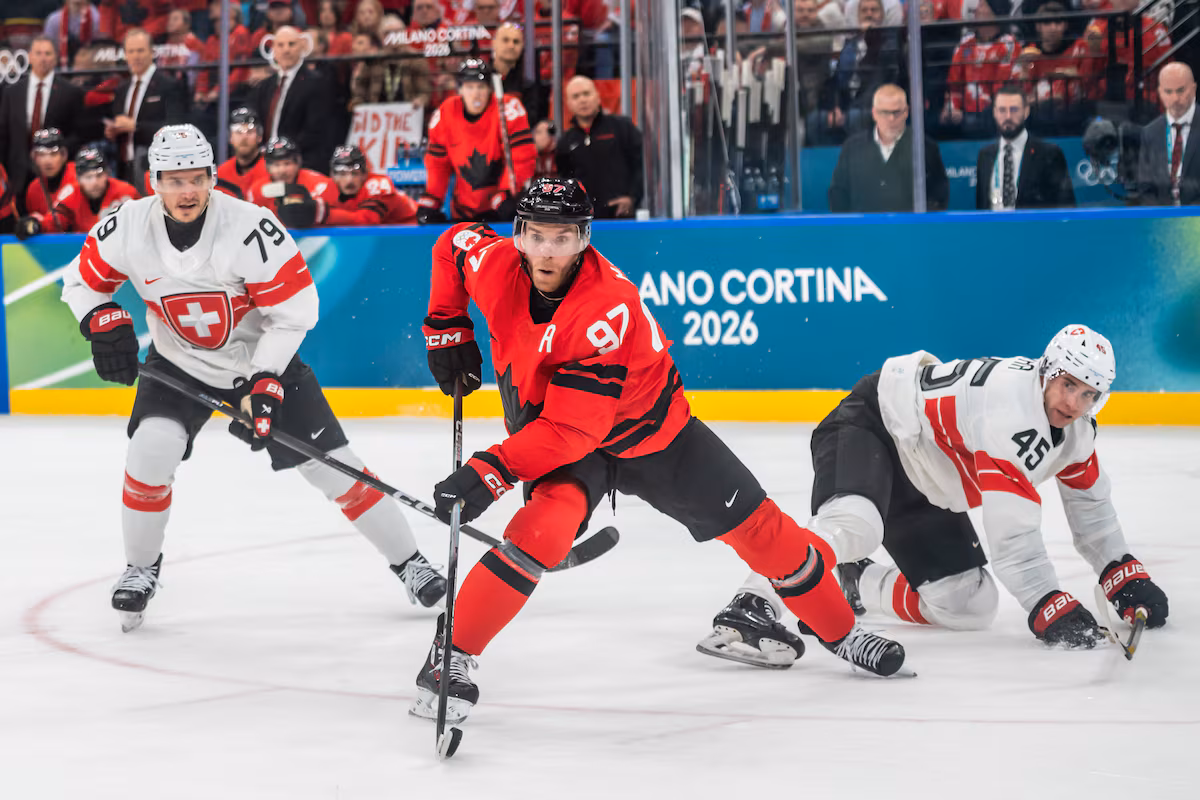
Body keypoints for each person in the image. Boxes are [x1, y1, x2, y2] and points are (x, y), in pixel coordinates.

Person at [407, 177, 909, 725]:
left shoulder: (604, 308)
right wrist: (446, 324)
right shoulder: (493, 262)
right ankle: (449, 655)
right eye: (537, 236)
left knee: (767, 533)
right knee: (541, 532)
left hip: (650, 434)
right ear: (518, 236)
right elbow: (451, 244)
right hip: (564, 433)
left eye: (564, 238)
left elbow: (574, 430)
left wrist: (491, 470)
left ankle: (840, 632)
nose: (548, 251)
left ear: (585, 239)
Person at [58, 124, 447, 633]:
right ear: (153, 181)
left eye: (196, 178)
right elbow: (80, 283)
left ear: (212, 176)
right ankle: (140, 567)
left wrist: (266, 381)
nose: (187, 191)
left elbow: (295, 312)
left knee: (333, 467)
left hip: (261, 363)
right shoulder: (127, 225)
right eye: (174, 180)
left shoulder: (249, 227)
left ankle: (410, 561)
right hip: (178, 362)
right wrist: (101, 321)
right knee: (150, 450)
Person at [701, 325, 1168, 667]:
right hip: (876, 424)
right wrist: (1048, 600)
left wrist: (1118, 570)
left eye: (1089, 395)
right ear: (1047, 372)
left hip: (925, 476)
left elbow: (1092, 508)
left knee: (970, 605)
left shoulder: (1076, 433)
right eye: (1068, 385)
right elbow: (1013, 537)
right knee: (854, 526)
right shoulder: (1012, 410)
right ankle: (754, 599)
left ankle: (854, 585)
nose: (1074, 404)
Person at [417, 57, 535, 224]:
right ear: (460, 90)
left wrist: (507, 192)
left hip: (500, 207)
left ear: (489, 89)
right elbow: (438, 164)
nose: (475, 93)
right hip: (463, 211)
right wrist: (432, 200)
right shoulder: (446, 113)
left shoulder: (507, 108)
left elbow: (521, 157)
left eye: (481, 87)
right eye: (469, 87)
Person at [827, 84, 949, 212]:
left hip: (909, 229)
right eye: (885, 112)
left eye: (897, 112)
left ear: (906, 112)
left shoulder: (925, 147)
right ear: (874, 113)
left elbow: (939, 196)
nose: (891, 119)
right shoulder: (852, 148)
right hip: (864, 230)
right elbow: (838, 193)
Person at [0, 35, 84, 211]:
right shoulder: (11, 93)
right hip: (18, 176)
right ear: (30, 56)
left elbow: (78, 134)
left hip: (56, 178)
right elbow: (4, 136)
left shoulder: (71, 92)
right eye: (38, 53)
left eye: (47, 53)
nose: (43, 58)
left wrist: (54, 154)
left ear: (55, 58)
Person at [106, 27, 188, 191]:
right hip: (122, 167)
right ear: (125, 55)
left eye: (140, 50)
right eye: (131, 51)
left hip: (154, 167)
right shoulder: (122, 89)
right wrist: (112, 132)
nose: (135, 56)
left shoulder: (169, 85)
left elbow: (176, 128)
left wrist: (136, 127)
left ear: (152, 52)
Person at [975, 84, 1075, 210]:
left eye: (1014, 110)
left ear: (1026, 111)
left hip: (1034, 228)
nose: (1008, 117)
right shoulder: (985, 155)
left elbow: (1065, 205)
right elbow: (981, 206)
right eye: (1002, 110)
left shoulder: (1048, 153)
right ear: (994, 112)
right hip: (994, 227)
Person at [555, 76, 643, 218]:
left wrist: (632, 198)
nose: (582, 100)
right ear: (568, 103)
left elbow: (643, 165)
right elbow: (565, 179)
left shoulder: (622, 127)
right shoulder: (565, 141)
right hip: (583, 219)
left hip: (622, 216)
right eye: (576, 96)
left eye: (586, 94)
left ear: (597, 96)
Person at [252, 25, 336, 170]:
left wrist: (282, 152)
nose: (286, 50)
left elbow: (314, 130)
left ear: (302, 47)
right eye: (280, 45)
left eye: (292, 44)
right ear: (273, 50)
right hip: (265, 162)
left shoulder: (316, 83)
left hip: (300, 161)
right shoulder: (265, 86)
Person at [15, 147, 139, 238]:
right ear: (78, 178)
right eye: (88, 177)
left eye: (99, 175)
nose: (94, 182)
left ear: (107, 174)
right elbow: (55, 221)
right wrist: (35, 224)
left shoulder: (126, 192)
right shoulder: (70, 193)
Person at [941, 0, 1019, 136]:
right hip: (965, 112)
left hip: (994, 112)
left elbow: (1002, 84)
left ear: (995, 14)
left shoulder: (1009, 45)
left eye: (982, 5)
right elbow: (954, 82)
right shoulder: (965, 43)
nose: (976, 9)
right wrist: (952, 108)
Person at [1136, 62, 1200, 206]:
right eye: (1168, 92)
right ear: (1160, 93)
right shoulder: (1150, 133)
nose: (1175, 99)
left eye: (1180, 90)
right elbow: (1145, 188)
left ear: (1194, 89)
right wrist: (1163, 219)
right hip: (1162, 221)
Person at [245, 135, 336, 228]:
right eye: (276, 165)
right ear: (267, 167)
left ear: (297, 163)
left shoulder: (320, 184)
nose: (282, 170)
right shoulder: (256, 190)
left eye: (287, 163)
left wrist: (323, 213)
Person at [325, 144, 418, 225]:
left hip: (419, 233)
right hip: (386, 237)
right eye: (342, 174)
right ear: (333, 176)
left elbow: (366, 222)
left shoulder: (379, 185)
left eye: (355, 173)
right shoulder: (326, 187)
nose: (349, 180)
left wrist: (323, 214)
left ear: (364, 174)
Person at [22, 127, 78, 224]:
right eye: (42, 155)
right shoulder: (33, 189)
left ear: (63, 155)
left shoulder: (79, 176)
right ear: (34, 158)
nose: (48, 161)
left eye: (53, 154)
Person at [215, 107, 269, 201]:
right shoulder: (221, 173)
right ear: (230, 137)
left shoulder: (272, 171)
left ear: (260, 137)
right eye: (238, 131)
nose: (244, 137)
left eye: (250, 131)